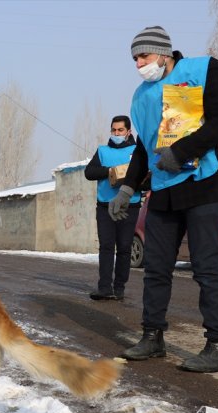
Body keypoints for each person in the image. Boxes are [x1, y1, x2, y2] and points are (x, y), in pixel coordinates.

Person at [109, 26, 218, 372]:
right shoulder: (140, 96)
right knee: (156, 268)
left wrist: (181, 151)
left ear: (164, 52)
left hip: (205, 181)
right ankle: (152, 336)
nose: (139, 64)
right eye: (134, 58)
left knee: (207, 265)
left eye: (143, 56)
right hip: (164, 189)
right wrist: (129, 188)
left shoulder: (205, 69)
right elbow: (144, 150)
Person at [84, 115, 141, 300]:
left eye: (120, 130)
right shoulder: (102, 151)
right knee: (106, 247)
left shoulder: (137, 151)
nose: (116, 133)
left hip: (129, 206)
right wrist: (110, 171)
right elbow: (89, 172)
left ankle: (119, 288)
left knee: (124, 248)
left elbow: (146, 178)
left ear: (128, 132)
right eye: (114, 130)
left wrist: (129, 179)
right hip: (104, 207)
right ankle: (104, 288)